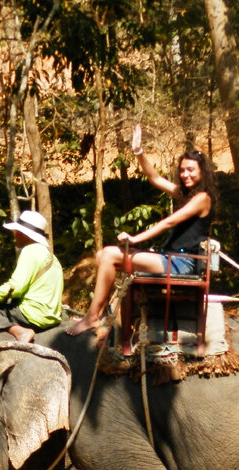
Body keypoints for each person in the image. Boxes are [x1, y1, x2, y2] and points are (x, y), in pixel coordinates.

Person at [67, 125, 218, 336]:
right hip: (170, 258)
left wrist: (134, 239)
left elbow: (168, 223)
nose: (185, 174)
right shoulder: (186, 195)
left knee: (110, 253)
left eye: (191, 170)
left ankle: (92, 318)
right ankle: (98, 313)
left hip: (181, 263)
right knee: (103, 255)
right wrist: (138, 152)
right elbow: (155, 179)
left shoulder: (202, 198)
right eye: (182, 170)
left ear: (202, 171)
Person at [0, 209, 64, 343]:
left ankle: (19, 331)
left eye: (18, 232)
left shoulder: (30, 251)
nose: (15, 235)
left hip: (31, 315)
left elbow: (15, 287)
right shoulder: (52, 257)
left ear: (25, 234)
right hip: (50, 317)